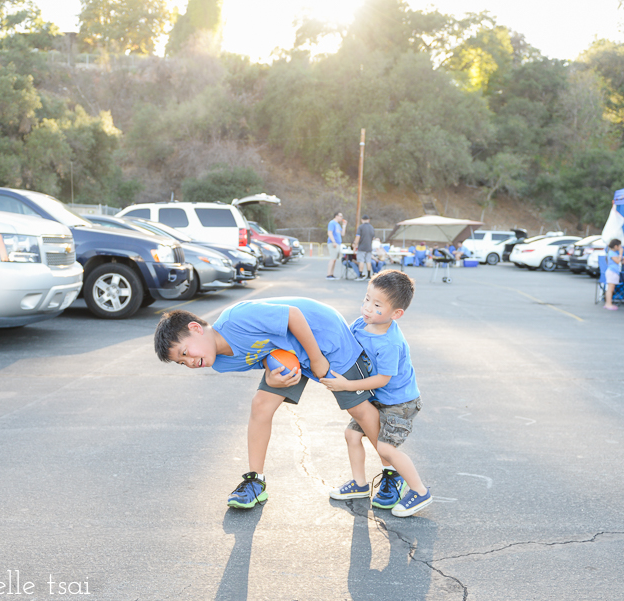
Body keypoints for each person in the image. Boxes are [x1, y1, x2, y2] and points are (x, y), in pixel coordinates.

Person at [154, 299, 384, 509]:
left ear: (195, 328)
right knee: (261, 405)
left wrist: (316, 359)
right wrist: (272, 376)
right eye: (182, 363)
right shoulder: (221, 363)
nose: (190, 362)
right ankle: (255, 482)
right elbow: (262, 350)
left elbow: (293, 315)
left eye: (185, 352)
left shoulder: (236, 318)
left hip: (321, 334)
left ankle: (393, 473)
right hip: (288, 351)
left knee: (359, 409)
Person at [321, 270, 432, 517]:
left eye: (377, 304)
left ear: (396, 314)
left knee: (385, 449)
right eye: (366, 299)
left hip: (400, 403)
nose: (367, 308)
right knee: (351, 434)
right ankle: (360, 485)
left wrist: (346, 386)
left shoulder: (391, 343)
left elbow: (383, 378)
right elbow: (345, 345)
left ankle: (420, 490)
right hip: (377, 397)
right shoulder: (361, 324)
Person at [603, 238, 624, 311]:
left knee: (611, 289)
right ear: (616, 246)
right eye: (619, 246)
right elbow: (617, 261)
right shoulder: (612, 253)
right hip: (612, 272)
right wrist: (621, 253)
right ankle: (608, 304)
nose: (620, 247)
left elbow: (617, 261)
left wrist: (623, 261)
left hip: (614, 272)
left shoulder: (613, 253)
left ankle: (608, 303)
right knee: (610, 289)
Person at [353, 214, 377, 280]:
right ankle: (369, 275)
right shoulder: (371, 227)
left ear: (362, 220)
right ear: (369, 220)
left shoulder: (360, 227)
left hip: (362, 247)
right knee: (368, 261)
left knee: (361, 261)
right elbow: (373, 238)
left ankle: (360, 275)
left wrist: (355, 246)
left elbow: (358, 237)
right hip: (369, 247)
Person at [326, 211, 347, 280]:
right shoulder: (332, 223)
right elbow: (329, 233)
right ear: (336, 216)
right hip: (333, 243)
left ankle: (332, 274)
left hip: (338, 243)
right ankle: (329, 274)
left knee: (335, 259)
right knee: (332, 259)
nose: (341, 218)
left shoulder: (338, 225)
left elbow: (342, 234)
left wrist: (344, 226)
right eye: (340, 216)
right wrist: (333, 241)